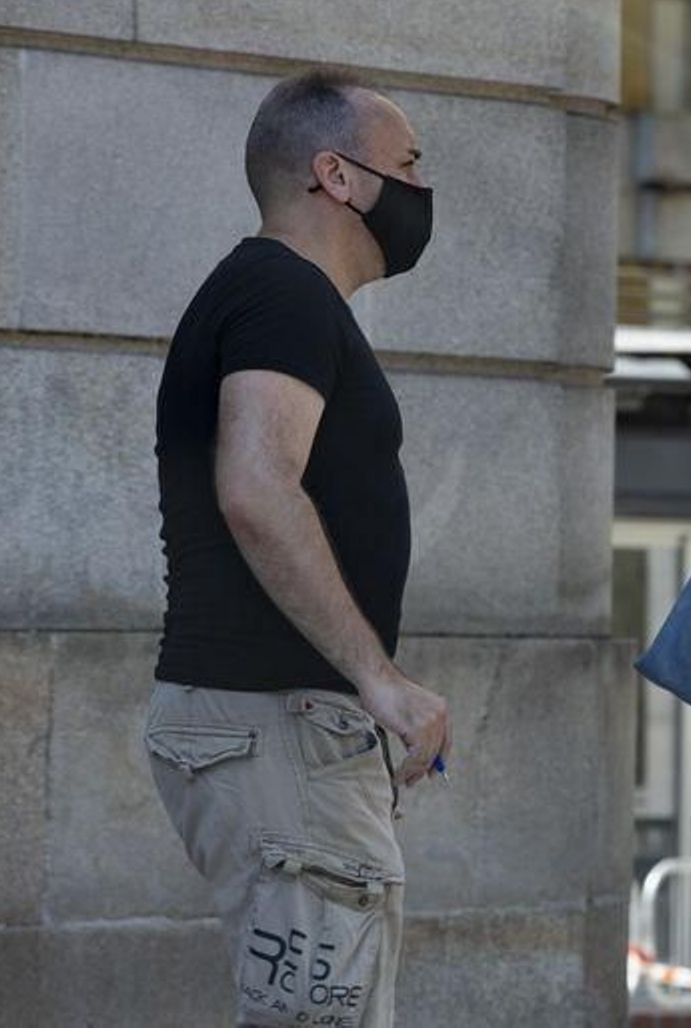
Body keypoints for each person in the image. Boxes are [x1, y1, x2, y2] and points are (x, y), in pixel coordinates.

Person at [146, 67, 450, 1027]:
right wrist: (379, 677)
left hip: (276, 726)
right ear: (339, 174)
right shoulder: (285, 294)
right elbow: (257, 486)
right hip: (279, 723)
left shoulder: (277, 295)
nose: (420, 189)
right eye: (406, 164)